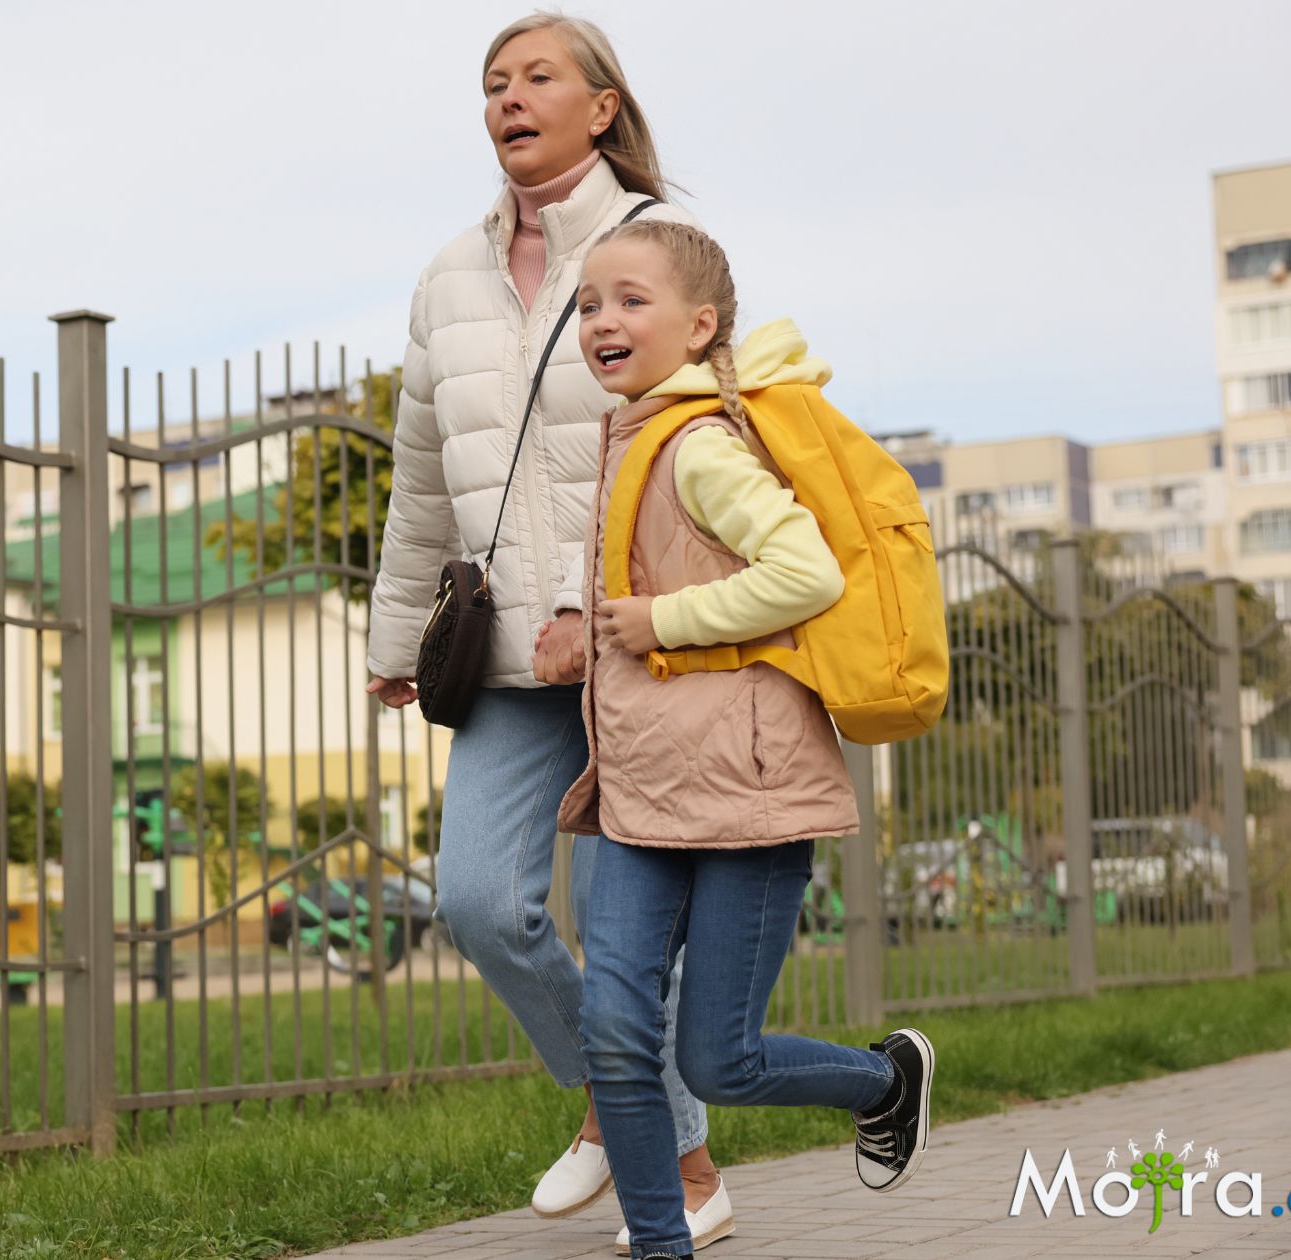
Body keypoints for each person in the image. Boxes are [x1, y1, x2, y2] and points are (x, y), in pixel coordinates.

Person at [364, 11, 730, 1239]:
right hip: (513, 660)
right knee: (475, 900)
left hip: (644, 648)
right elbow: (423, 478)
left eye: (535, 78)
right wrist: (395, 637)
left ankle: (661, 1180)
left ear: (601, 108)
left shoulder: (660, 251)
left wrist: (595, 603)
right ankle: (641, 1122)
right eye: (491, 83)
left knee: (638, 939)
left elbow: (702, 439)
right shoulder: (446, 278)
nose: (507, 98)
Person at [555, 217, 936, 1259]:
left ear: (700, 324)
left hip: (746, 792)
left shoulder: (700, 443)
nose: (601, 320)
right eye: (587, 304)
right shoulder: (630, 435)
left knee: (716, 1060)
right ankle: (662, 1245)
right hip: (639, 789)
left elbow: (804, 573)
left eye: (630, 299)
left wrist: (658, 623)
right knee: (616, 1036)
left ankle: (883, 1079)